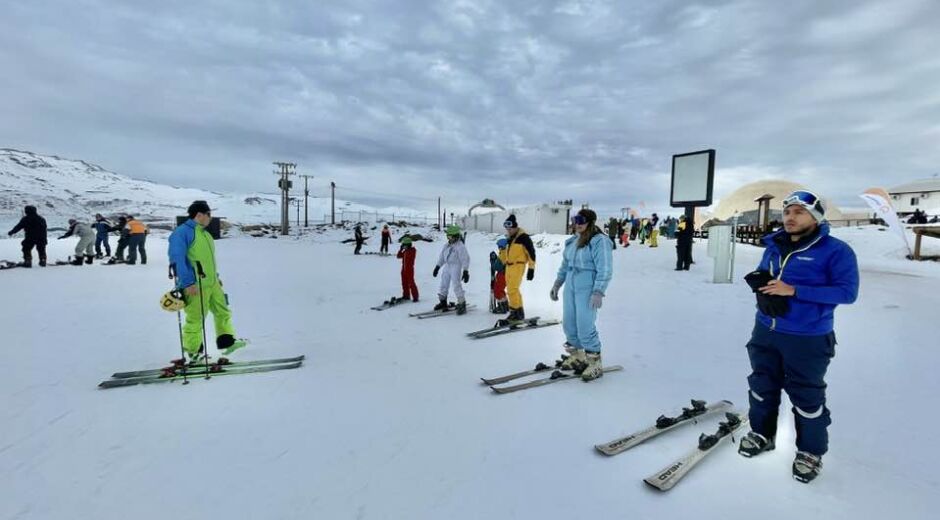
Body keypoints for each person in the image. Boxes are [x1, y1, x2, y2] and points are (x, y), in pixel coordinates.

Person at [738, 190, 859, 484]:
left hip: (807, 337)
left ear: (815, 218)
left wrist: (794, 291)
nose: (790, 218)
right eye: (787, 212)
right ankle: (762, 434)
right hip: (765, 330)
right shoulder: (774, 246)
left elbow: (847, 292)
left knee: (807, 396)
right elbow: (768, 276)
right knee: (761, 385)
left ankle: (810, 452)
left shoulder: (835, 250)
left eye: (799, 212)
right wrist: (761, 284)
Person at [168, 201, 245, 362]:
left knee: (222, 311)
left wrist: (216, 277)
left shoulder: (205, 234)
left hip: (212, 283)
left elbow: (206, 260)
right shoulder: (182, 233)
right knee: (196, 317)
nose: (210, 218)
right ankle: (194, 351)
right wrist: (188, 283)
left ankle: (227, 342)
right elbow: (177, 259)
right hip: (195, 284)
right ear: (199, 215)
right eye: (209, 214)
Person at [550, 209, 613, 381]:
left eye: (581, 220)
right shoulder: (572, 241)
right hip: (571, 284)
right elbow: (565, 265)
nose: (577, 224)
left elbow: (605, 268)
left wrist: (598, 291)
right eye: (575, 220)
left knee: (585, 325)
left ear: (590, 222)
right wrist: (557, 284)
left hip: (587, 286)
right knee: (569, 324)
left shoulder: (599, 241)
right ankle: (578, 355)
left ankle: (594, 362)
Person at [432, 224, 471, 315]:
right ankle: (443, 302)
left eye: (450, 236)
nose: (448, 238)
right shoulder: (447, 245)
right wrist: (437, 266)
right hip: (447, 266)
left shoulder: (460, 246)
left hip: (455, 267)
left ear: (455, 236)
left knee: (456, 284)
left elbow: (465, 259)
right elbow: (442, 256)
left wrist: (465, 271)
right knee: (443, 284)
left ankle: (462, 303)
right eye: (447, 236)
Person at [396, 236, 419, 302]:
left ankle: (415, 297)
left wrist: (405, 249)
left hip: (409, 270)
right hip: (403, 269)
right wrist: (401, 250)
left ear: (408, 245)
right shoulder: (405, 251)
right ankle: (406, 295)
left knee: (411, 283)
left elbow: (409, 256)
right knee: (404, 283)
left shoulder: (412, 251)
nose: (403, 246)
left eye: (404, 245)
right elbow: (398, 256)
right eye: (403, 245)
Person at [489, 238, 509, 314]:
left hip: (502, 275)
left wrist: (493, 262)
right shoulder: (505, 252)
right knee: (501, 290)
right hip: (505, 275)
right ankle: (505, 304)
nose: (498, 248)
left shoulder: (504, 254)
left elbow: (499, 266)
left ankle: (501, 307)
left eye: (499, 246)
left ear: (501, 246)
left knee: (497, 290)